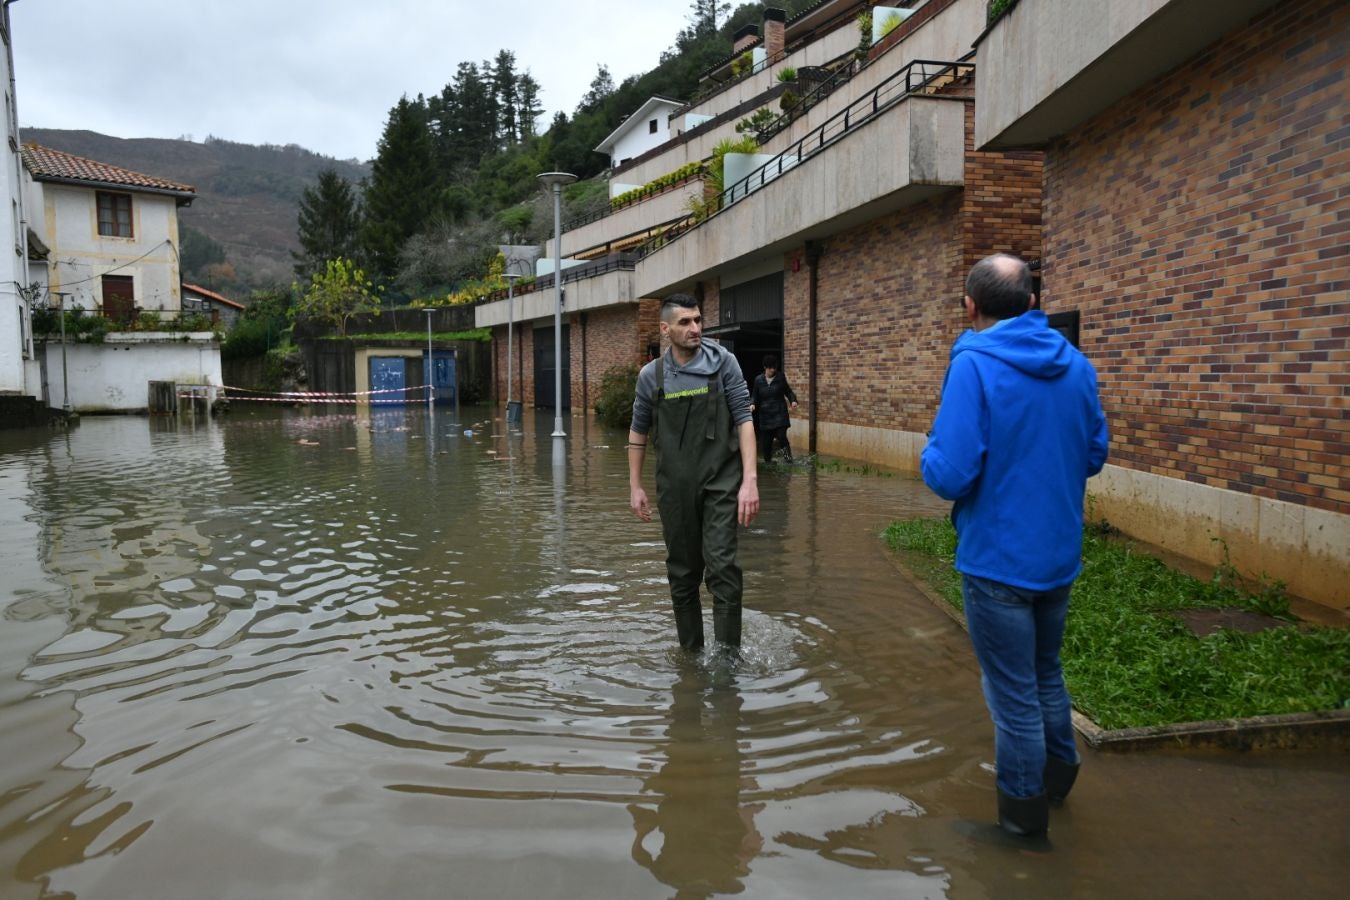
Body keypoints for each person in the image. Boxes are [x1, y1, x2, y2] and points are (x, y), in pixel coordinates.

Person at [920, 253, 1109, 838]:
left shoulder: (974, 366)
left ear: (970, 306)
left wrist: (931, 448)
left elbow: (949, 475)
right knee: (1045, 672)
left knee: (1013, 696)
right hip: (1057, 556)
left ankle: (1022, 822)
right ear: (1032, 302)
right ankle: (1059, 778)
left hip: (998, 563)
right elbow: (1094, 454)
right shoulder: (1077, 365)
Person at [628, 294, 760, 650]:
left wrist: (749, 480)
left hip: (722, 482)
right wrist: (635, 486)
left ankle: (727, 661)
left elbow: (744, 420)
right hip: (674, 488)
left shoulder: (724, 364)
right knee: (682, 574)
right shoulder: (651, 376)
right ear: (665, 328)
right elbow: (638, 432)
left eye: (698, 320)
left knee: (723, 567)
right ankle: (691, 656)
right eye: (685, 322)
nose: (695, 328)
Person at [749, 354, 798, 464]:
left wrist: (793, 401)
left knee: (781, 436)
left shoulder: (780, 377)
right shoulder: (758, 380)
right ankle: (768, 462)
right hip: (765, 416)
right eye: (771, 368)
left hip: (780, 413)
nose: (773, 370)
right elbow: (754, 395)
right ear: (765, 367)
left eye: (775, 367)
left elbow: (788, 391)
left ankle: (788, 459)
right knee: (766, 442)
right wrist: (752, 403)